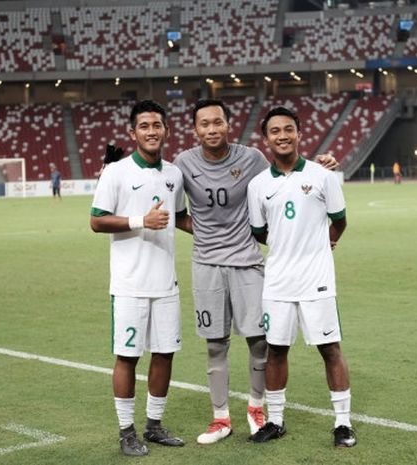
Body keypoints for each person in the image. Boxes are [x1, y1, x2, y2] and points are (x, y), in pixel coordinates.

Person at [173, 99, 339, 444]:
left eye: (218, 122)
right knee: (215, 345)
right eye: (204, 124)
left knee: (259, 341)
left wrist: (322, 165)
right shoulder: (183, 163)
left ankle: (256, 409)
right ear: (195, 130)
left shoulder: (251, 159)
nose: (212, 129)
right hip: (206, 264)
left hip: (248, 262)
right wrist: (204, 233)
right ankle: (220, 419)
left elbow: (285, 174)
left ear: (228, 125)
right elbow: (175, 214)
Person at [246, 106, 356, 448]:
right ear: (266, 139)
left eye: (288, 129)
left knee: (330, 349)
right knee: (275, 350)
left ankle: (342, 424)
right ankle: (276, 421)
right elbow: (260, 232)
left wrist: (327, 243)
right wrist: (285, 245)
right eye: (275, 131)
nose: (282, 135)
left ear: (299, 133)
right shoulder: (258, 185)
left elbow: (340, 220)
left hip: (317, 280)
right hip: (277, 281)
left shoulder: (323, 176)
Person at [90, 100, 190, 457]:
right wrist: (139, 221)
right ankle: (126, 431)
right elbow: (97, 220)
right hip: (130, 284)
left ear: (166, 130)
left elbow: (181, 218)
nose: (152, 130)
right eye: (144, 125)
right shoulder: (116, 173)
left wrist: (226, 233)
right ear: (132, 133)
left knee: (165, 354)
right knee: (127, 357)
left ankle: (155, 425)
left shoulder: (174, 174)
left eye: (157, 125)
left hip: (166, 284)